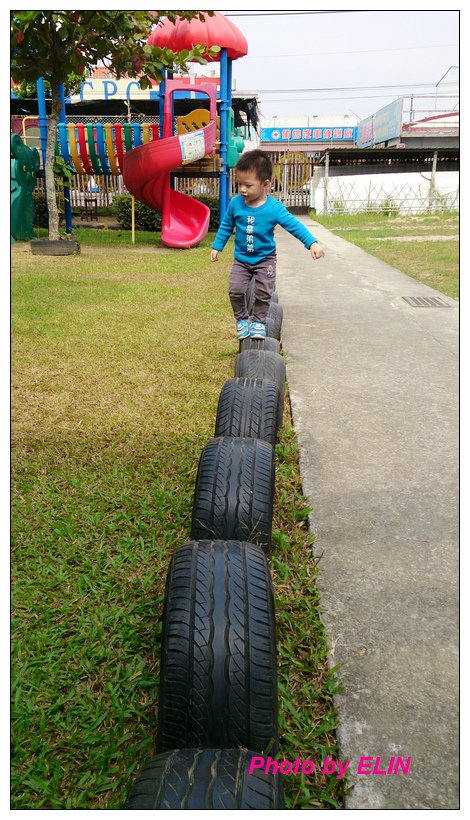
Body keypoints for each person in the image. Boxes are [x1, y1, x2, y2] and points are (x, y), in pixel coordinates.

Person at [210, 149, 325, 340]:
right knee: (235, 290)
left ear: (265, 185)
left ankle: (259, 322)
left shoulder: (274, 208)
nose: (242, 190)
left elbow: (294, 226)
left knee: (264, 292)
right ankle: (242, 320)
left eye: (248, 185)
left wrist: (312, 243)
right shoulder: (235, 203)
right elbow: (226, 226)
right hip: (241, 259)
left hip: (265, 259)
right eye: (239, 184)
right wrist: (217, 246)